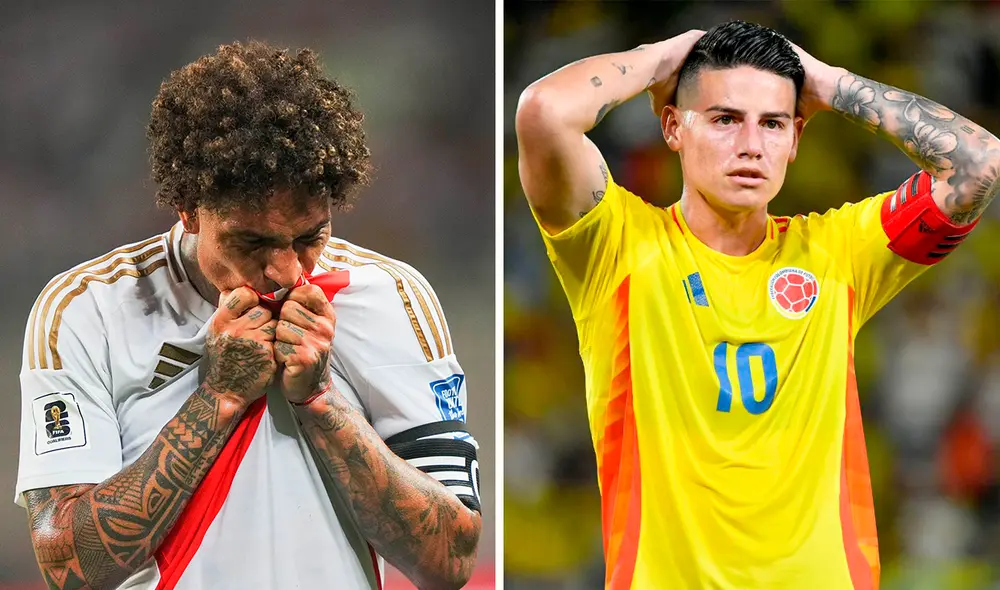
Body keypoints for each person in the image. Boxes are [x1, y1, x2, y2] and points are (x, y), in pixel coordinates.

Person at [515, 19, 999, 589]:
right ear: (673, 125)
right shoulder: (618, 246)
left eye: (772, 124)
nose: (751, 145)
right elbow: (544, 112)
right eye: (724, 119)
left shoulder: (838, 253)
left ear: (796, 139)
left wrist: (830, 82)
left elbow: (978, 163)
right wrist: (663, 57)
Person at [16, 41, 481, 590]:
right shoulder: (84, 310)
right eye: (251, 242)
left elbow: (451, 561)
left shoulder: (393, 297)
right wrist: (218, 398)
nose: (286, 272)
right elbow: (71, 568)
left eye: (310, 237)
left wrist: (323, 400)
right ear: (188, 208)